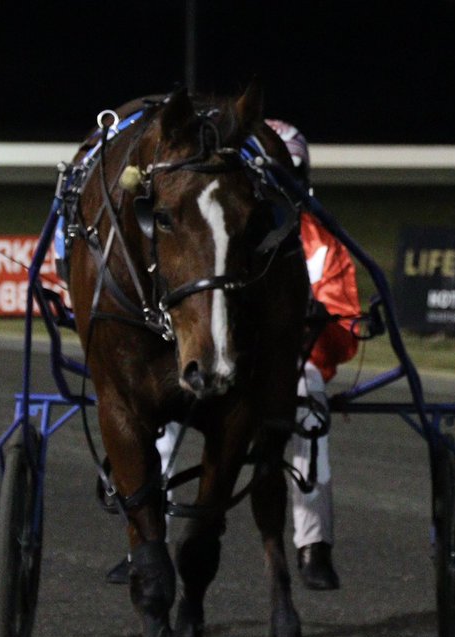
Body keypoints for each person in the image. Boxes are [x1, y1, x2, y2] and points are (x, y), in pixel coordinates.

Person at [105, 118, 361, 591]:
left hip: (288, 367)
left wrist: (305, 329)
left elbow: (345, 334)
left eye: (284, 179)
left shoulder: (324, 246)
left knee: (309, 393)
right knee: (164, 402)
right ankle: (141, 542)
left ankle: (314, 544)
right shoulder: (223, 228)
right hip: (228, 360)